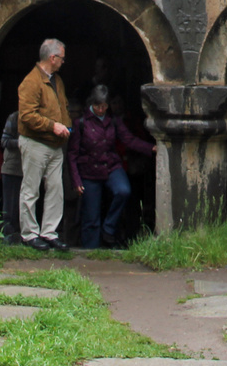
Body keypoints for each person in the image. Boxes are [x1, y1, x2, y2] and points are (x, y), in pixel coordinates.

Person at [68, 85, 155, 249]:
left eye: (104, 106)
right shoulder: (80, 123)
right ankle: (90, 252)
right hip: (89, 170)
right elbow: (72, 154)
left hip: (111, 165)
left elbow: (129, 139)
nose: (101, 109)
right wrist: (76, 180)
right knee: (91, 216)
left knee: (123, 190)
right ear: (91, 104)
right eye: (97, 106)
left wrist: (150, 148)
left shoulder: (113, 120)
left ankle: (108, 228)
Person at [16, 37, 72, 250]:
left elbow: (62, 106)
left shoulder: (56, 80)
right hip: (36, 142)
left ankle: (49, 232)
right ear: (52, 57)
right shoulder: (31, 82)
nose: (63, 62)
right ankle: (29, 235)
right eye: (62, 58)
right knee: (31, 189)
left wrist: (67, 124)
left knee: (56, 189)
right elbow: (27, 116)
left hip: (55, 144)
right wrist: (53, 126)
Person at [0, 109, 23, 245]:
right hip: (12, 168)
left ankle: (23, 237)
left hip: (30, 169)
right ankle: (9, 237)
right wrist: (23, 142)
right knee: (10, 208)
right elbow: (5, 141)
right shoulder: (14, 117)